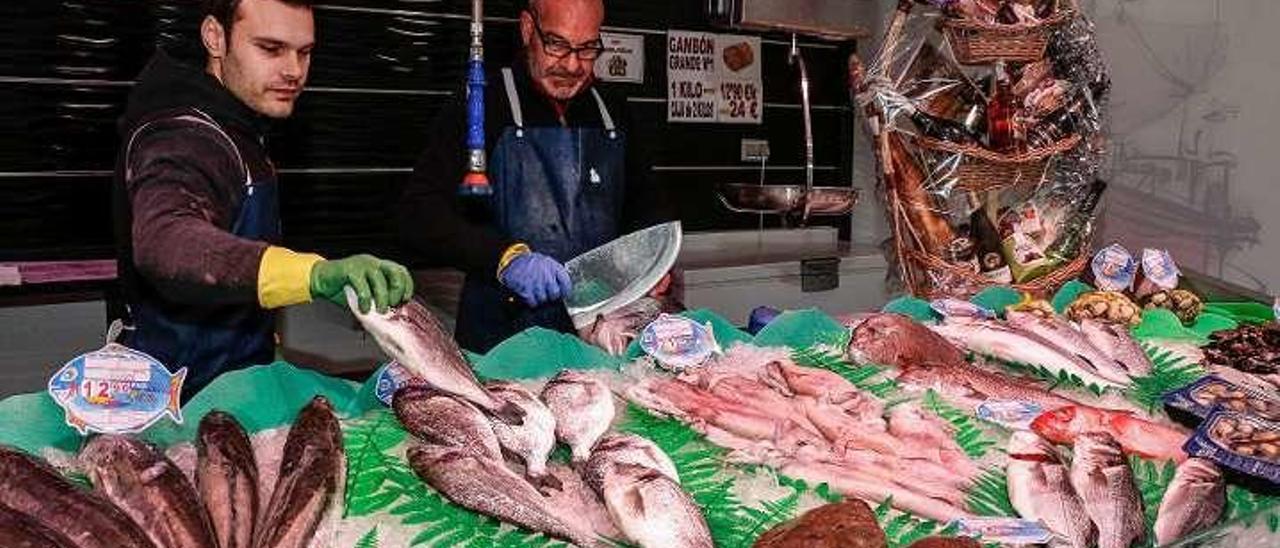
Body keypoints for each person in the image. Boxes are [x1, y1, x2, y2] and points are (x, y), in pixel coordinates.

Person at [113, 0, 414, 397]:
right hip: (175, 406)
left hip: (234, 387)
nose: (293, 70)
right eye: (270, 49)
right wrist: (315, 275)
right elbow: (167, 241)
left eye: (304, 52)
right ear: (215, 37)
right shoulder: (184, 136)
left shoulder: (238, 125)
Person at [398, 0, 670, 353]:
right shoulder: (482, 103)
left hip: (599, 335)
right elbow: (418, 214)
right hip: (501, 339)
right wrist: (504, 258)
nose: (572, 65)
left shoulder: (612, 108)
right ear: (528, 29)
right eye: (556, 44)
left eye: (587, 49)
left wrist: (653, 259)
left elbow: (646, 199)